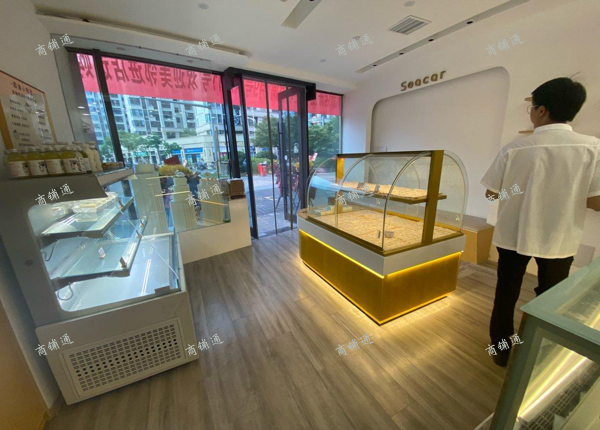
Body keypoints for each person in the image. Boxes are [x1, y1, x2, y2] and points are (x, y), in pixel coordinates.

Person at [481, 77, 600, 367]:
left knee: (506, 294)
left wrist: (519, 191)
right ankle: (539, 352)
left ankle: (501, 350)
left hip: (513, 234)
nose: (531, 113)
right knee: (550, 299)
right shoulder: (592, 148)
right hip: (560, 238)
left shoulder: (514, 148)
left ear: (542, 110)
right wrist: (566, 195)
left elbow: (491, 192)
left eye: (531, 108)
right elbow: (596, 201)